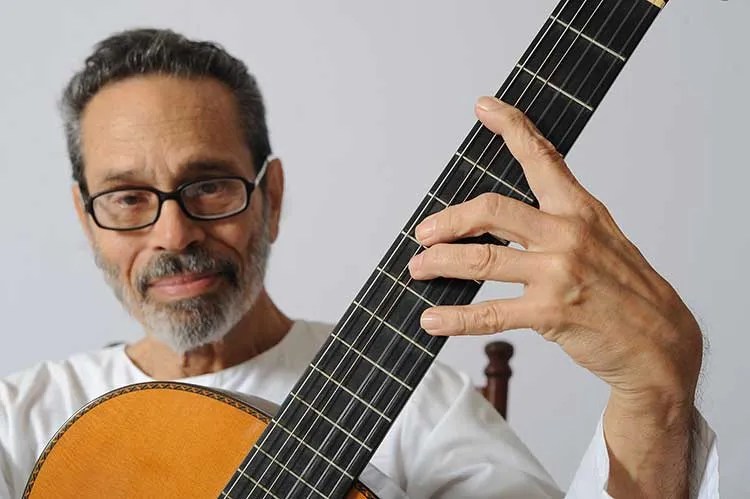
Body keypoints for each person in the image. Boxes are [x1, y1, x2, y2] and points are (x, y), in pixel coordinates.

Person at [0, 28, 718, 498]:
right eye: (128, 198)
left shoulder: (418, 406)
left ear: (269, 196)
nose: (173, 231)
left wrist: (653, 397)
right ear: (85, 217)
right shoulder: (18, 425)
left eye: (208, 185)